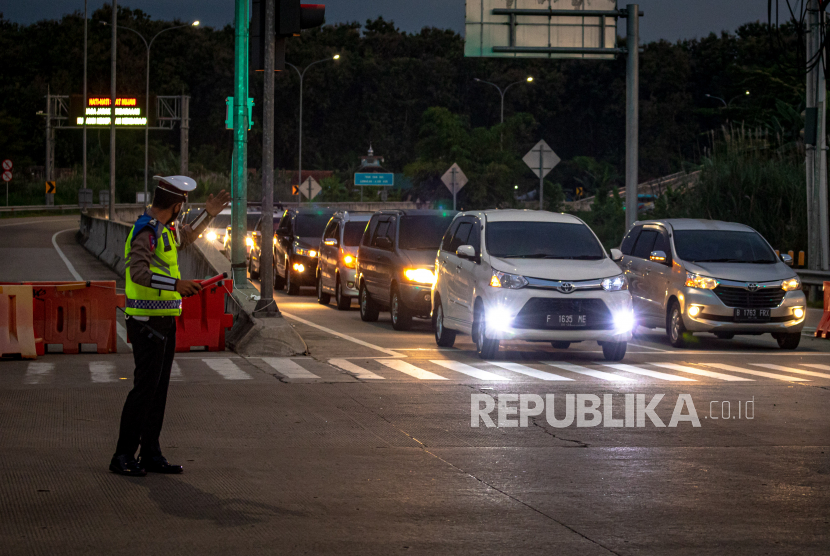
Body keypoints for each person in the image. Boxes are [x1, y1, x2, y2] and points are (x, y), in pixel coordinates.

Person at [110, 175, 230, 477]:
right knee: (144, 390)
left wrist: (209, 215)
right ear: (177, 206)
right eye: (183, 207)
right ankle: (123, 454)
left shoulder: (164, 229)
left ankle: (151, 453)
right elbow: (136, 272)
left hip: (164, 320)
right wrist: (176, 284)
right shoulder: (146, 231)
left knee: (157, 391)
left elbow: (185, 237)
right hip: (145, 322)